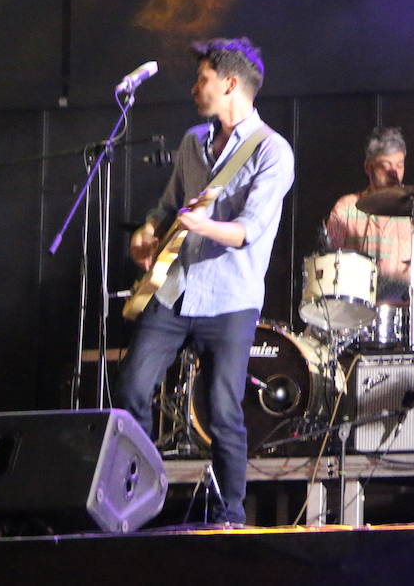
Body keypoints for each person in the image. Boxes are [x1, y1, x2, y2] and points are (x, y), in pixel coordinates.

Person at [117, 37, 295, 527]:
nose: (195, 88)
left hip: (230, 300)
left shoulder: (273, 152)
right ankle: (133, 502)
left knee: (223, 412)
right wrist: (149, 230)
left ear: (230, 84)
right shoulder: (192, 141)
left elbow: (247, 231)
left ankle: (229, 517)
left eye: (203, 80)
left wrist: (201, 225)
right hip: (174, 291)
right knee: (131, 390)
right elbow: (166, 204)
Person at [325, 126, 414, 347]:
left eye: (399, 165)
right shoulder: (347, 208)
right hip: (358, 311)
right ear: (368, 167)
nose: (394, 172)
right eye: (385, 166)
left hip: (412, 310)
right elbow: (326, 262)